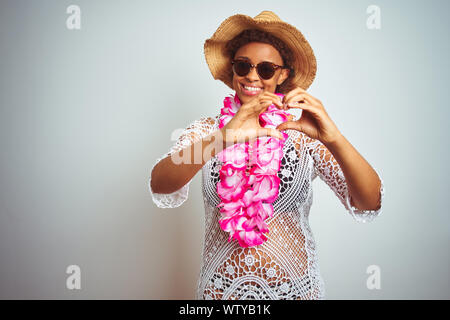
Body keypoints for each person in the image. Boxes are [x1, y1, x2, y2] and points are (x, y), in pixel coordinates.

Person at [149, 10, 384, 300]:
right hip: (221, 295)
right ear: (233, 70)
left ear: (283, 74)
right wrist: (220, 140)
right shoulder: (208, 131)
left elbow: (369, 202)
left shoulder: (300, 135)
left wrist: (333, 138)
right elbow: (160, 184)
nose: (251, 76)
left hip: (295, 292)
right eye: (243, 65)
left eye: (265, 69)